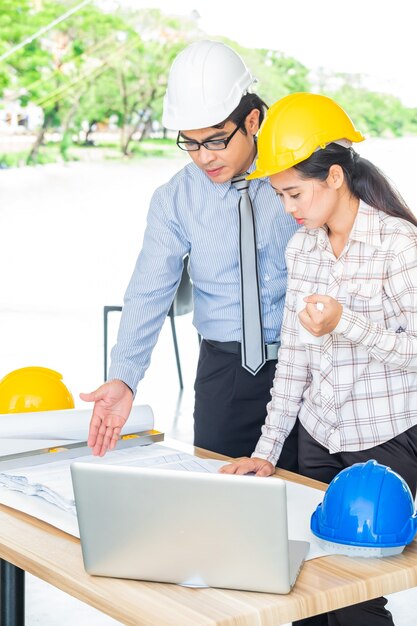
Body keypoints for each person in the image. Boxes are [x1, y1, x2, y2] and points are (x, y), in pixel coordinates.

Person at [221, 92, 417, 626]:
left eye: (294, 193)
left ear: (333, 177)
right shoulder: (301, 249)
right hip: (316, 438)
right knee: (305, 591)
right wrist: (267, 452)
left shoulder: (399, 247)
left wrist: (345, 325)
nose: (289, 209)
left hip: (384, 443)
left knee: (355, 597)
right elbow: (295, 363)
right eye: (280, 195)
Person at [80, 40, 299, 467]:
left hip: (310, 367)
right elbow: (148, 293)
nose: (204, 157)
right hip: (225, 374)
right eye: (191, 143)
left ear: (252, 120)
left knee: (311, 500)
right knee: (220, 500)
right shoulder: (174, 199)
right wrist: (124, 377)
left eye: (216, 141)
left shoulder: (298, 175)